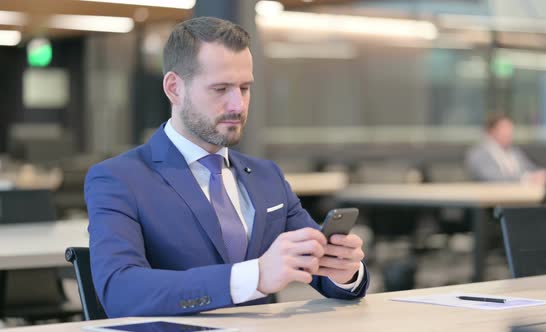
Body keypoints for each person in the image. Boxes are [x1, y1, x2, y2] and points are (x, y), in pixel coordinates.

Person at [84, 17, 368, 318]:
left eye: (244, 88)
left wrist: (344, 270)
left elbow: (322, 271)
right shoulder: (119, 179)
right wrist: (254, 276)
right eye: (220, 89)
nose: (238, 105)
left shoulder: (266, 177)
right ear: (174, 88)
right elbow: (119, 289)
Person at [465, 113, 546, 184]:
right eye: (504, 129)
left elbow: (530, 168)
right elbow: (492, 178)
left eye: (510, 129)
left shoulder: (514, 151)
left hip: (520, 196)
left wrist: (543, 174)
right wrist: (526, 178)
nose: (509, 133)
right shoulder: (478, 153)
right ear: (491, 131)